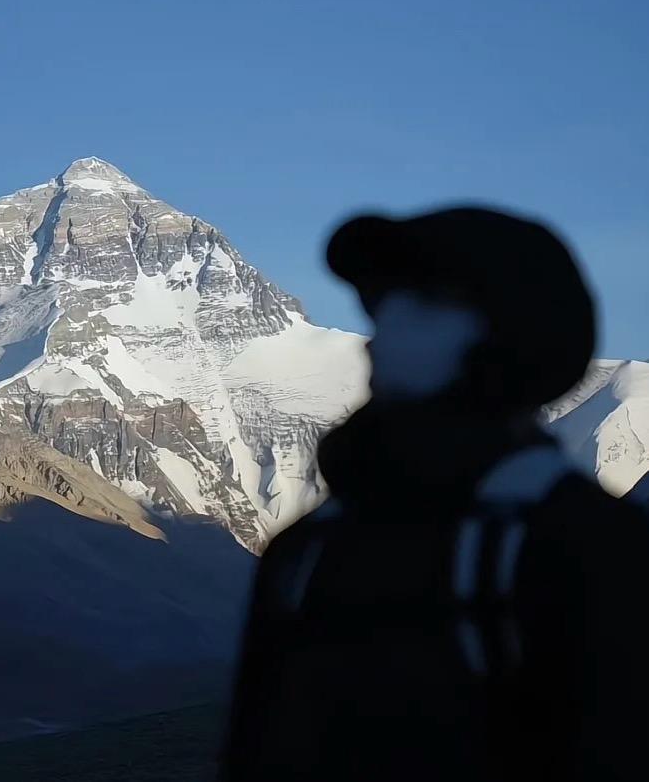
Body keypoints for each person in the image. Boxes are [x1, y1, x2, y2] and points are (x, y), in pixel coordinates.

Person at [218, 206, 649, 782]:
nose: (384, 334)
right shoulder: (307, 549)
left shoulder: (588, 546)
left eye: (424, 305)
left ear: (511, 333)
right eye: (383, 307)